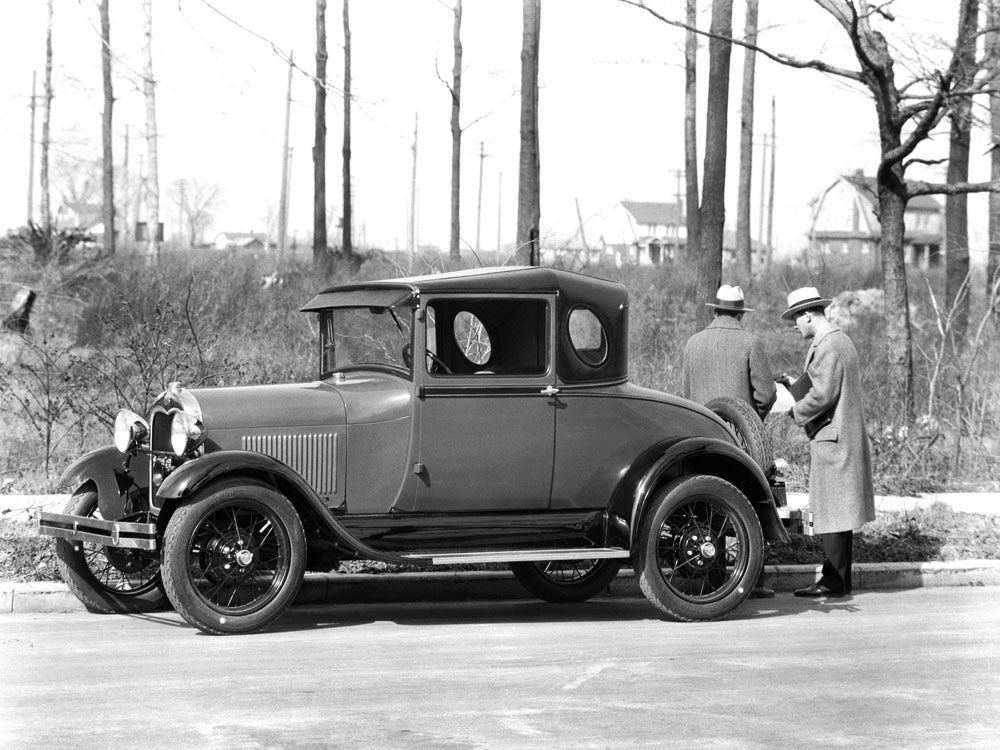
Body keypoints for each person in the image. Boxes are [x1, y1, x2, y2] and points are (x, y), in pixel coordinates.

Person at [778, 286, 875, 598]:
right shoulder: (837, 340)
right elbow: (824, 384)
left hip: (833, 440)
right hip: (839, 436)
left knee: (832, 512)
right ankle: (838, 580)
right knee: (839, 512)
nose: (795, 325)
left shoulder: (829, 345)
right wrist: (796, 385)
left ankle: (833, 582)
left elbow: (822, 395)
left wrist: (794, 408)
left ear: (808, 315)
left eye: (796, 318)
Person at [681, 284, 777, 597]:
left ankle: (713, 578)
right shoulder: (750, 342)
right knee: (750, 501)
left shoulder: (693, 343)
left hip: (700, 435)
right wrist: (751, 419)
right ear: (740, 313)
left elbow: (684, 395)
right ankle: (754, 579)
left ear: (715, 310)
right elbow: (766, 394)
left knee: (709, 502)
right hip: (741, 439)